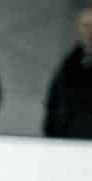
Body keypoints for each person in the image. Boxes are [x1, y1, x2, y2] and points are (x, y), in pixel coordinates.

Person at [44, 5, 92, 139]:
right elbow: (54, 105)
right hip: (69, 141)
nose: (90, 31)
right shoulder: (69, 63)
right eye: (85, 25)